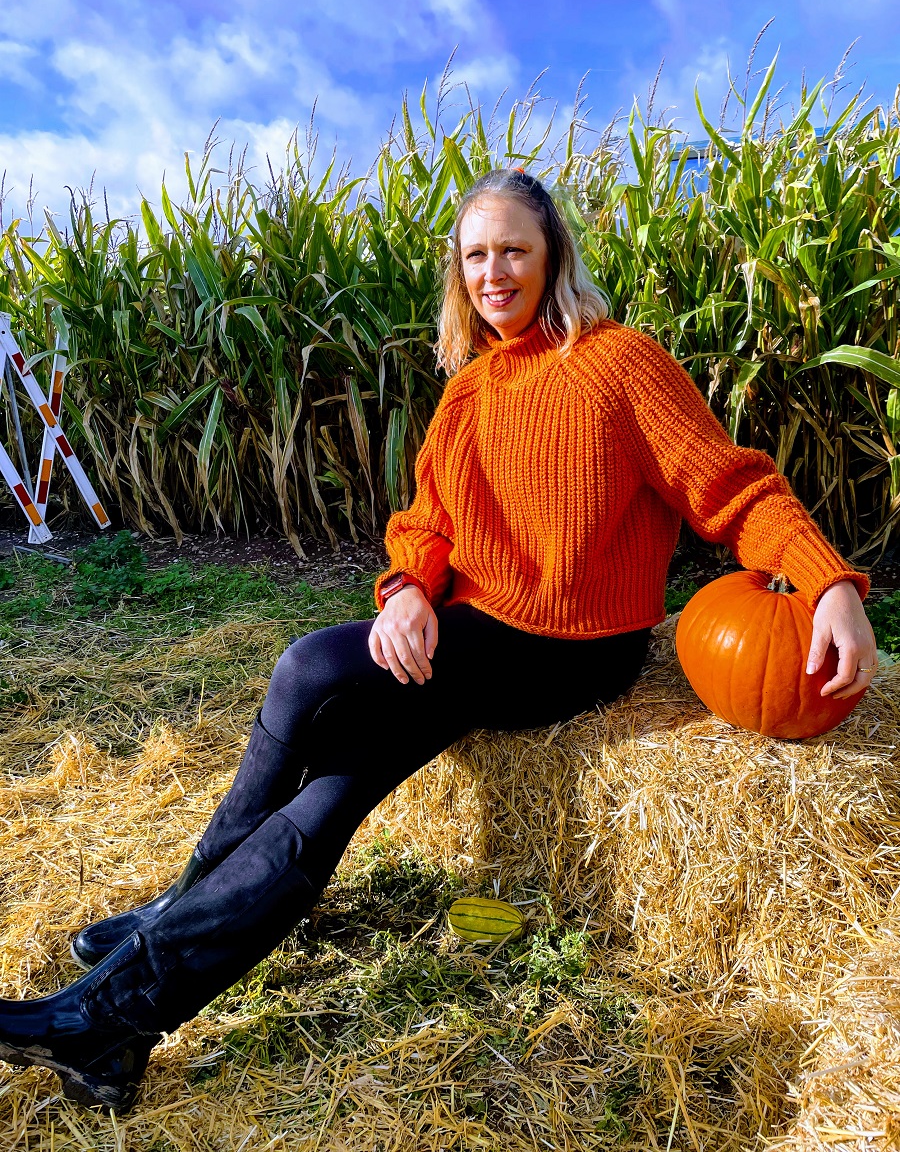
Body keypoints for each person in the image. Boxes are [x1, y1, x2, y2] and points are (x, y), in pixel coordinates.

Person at [0, 169, 877, 1112]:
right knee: (340, 775)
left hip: (572, 645)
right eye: (475, 255)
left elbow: (732, 487)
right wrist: (407, 589)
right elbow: (425, 521)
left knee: (308, 669)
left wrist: (827, 581)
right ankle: (116, 1020)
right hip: (474, 632)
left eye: (513, 251)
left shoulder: (621, 363)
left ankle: (165, 921)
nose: (493, 271)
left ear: (552, 258)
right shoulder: (470, 393)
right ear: (458, 274)